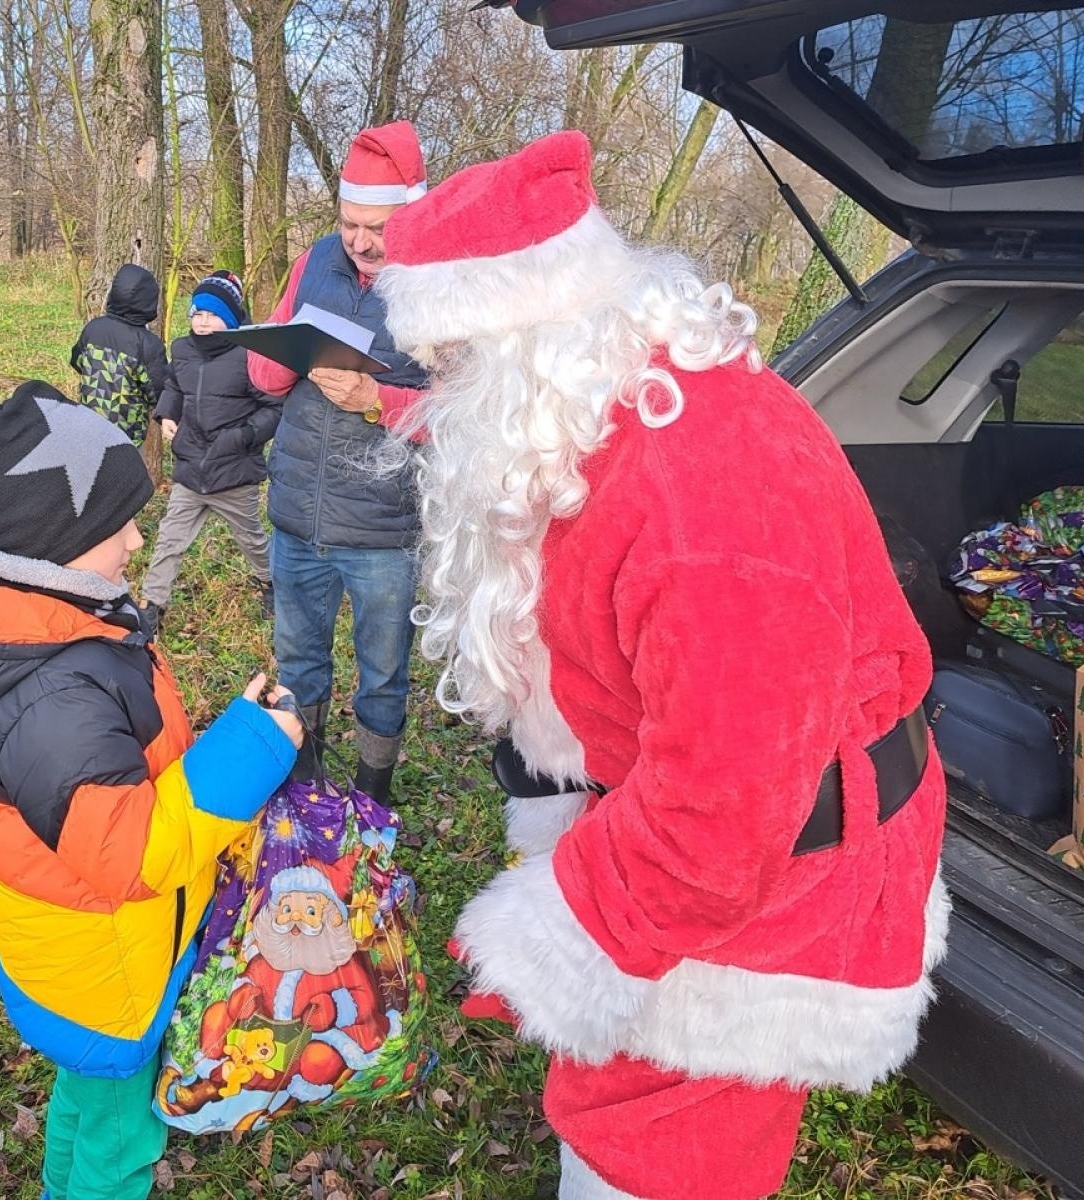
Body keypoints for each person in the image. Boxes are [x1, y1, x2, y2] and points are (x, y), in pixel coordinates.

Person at [372, 131, 948, 1200]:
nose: (435, 401)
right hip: (723, 825)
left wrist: (556, 935)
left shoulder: (698, 507)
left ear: (529, 339)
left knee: (656, 1150)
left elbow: (720, 821)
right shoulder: (611, 414)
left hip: (779, 874)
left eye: (452, 364)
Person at [0, 381, 301, 1200]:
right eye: (119, 525)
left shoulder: (51, 623)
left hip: (76, 957)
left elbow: (124, 782)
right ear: (63, 543)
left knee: (86, 1091)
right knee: (121, 1142)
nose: (138, 536)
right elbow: (134, 853)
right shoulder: (54, 696)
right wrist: (256, 750)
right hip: (105, 969)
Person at [249, 121, 430, 802]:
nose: (359, 241)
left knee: (383, 675)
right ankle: (306, 790)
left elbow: (460, 409)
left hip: (383, 532)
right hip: (297, 516)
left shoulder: (442, 288)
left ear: (412, 215)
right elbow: (265, 377)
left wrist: (376, 397)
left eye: (376, 226)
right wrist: (269, 349)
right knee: (299, 663)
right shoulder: (315, 261)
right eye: (350, 223)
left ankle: (372, 799)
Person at [141, 270, 282, 632]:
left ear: (231, 317)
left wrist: (243, 436)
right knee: (170, 538)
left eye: (213, 314)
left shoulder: (251, 356)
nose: (203, 322)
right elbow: (174, 385)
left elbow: (273, 408)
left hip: (234, 471)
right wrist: (166, 414)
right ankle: (152, 606)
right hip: (190, 466)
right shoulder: (183, 349)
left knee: (251, 539)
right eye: (197, 313)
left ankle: (270, 584)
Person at [70, 264, 170, 445]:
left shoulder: (93, 328)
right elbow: (158, 393)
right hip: (126, 435)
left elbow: (77, 361)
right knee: (122, 473)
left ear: (114, 292)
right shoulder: (148, 344)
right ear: (149, 300)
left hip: (88, 424)